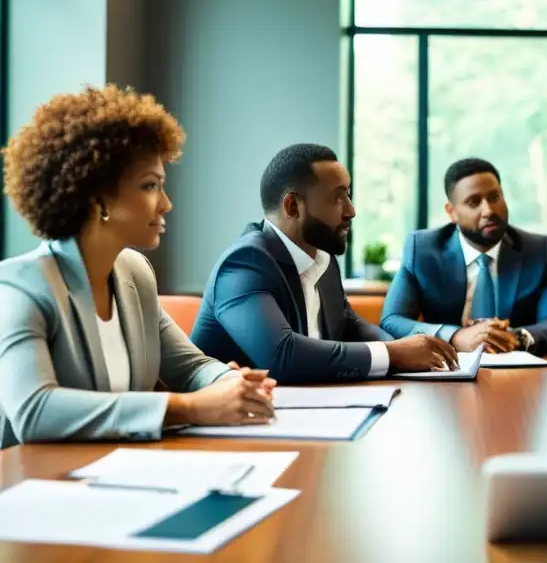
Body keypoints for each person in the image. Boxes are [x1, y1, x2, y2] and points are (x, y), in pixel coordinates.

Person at [0, 85, 275, 449]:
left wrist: (228, 383)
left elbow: (190, 367)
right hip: (30, 487)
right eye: (150, 186)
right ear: (98, 198)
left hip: (116, 476)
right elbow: (35, 411)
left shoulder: (134, 272)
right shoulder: (20, 287)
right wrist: (191, 407)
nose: (166, 204)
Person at [191, 144, 458, 383]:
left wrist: (409, 347)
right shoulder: (244, 263)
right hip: (226, 428)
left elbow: (349, 324)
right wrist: (394, 354)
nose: (350, 210)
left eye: (349, 196)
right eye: (337, 198)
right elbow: (282, 357)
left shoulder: (323, 259)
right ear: (293, 206)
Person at [380, 158, 547, 355]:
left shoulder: (537, 250)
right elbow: (392, 320)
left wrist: (514, 337)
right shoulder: (423, 250)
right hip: (446, 373)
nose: (489, 211)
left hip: (519, 374)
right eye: (473, 202)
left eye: (494, 197)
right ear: (452, 212)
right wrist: (455, 336)